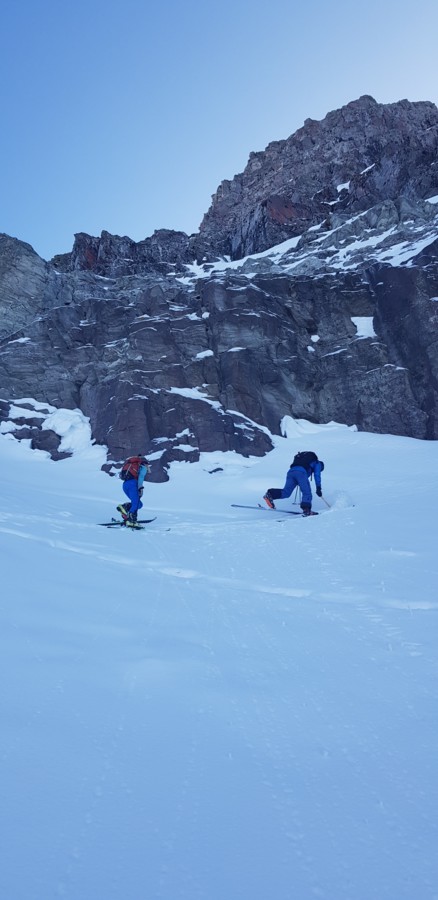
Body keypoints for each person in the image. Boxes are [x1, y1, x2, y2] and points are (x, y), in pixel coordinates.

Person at [263, 451, 324, 516]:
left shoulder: (306, 461)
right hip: (301, 473)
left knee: (286, 492)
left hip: (291, 472)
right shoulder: (317, 463)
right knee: (307, 492)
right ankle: (307, 510)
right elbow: (317, 475)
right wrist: (318, 488)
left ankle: (270, 494)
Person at [117, 454, 150, 527]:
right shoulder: (143, 467)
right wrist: (140, 488)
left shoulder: (131, 466)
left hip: (125, 485)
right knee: (135, 503)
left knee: (139, 504)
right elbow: (141, 478)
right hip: (133, 484)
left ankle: (125, 507)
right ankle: (131, 520)